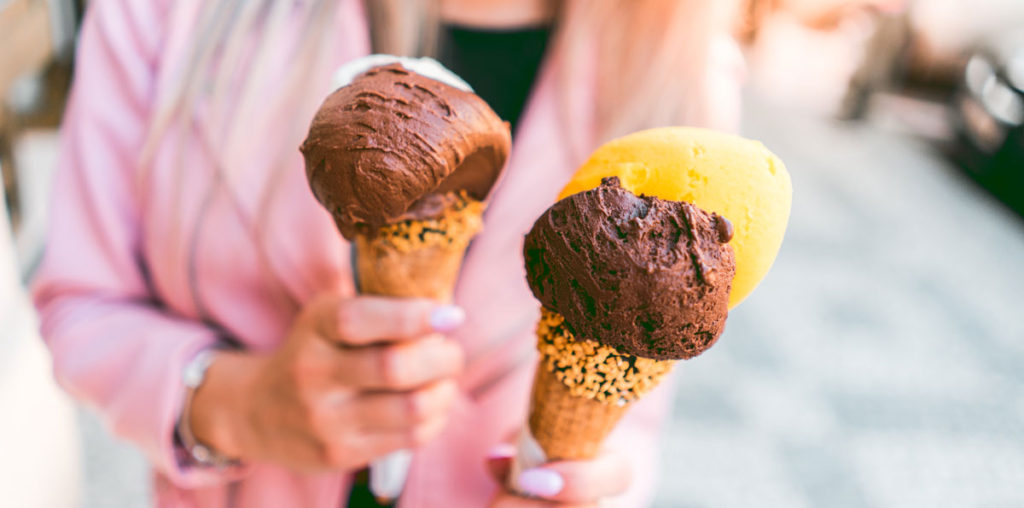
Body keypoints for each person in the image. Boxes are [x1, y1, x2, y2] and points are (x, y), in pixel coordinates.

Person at [32, 0, 742, 506]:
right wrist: (240, 402)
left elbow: (642, 396)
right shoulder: (171, 13)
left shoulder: (684, 74)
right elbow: (82, 305)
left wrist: (588, 488)